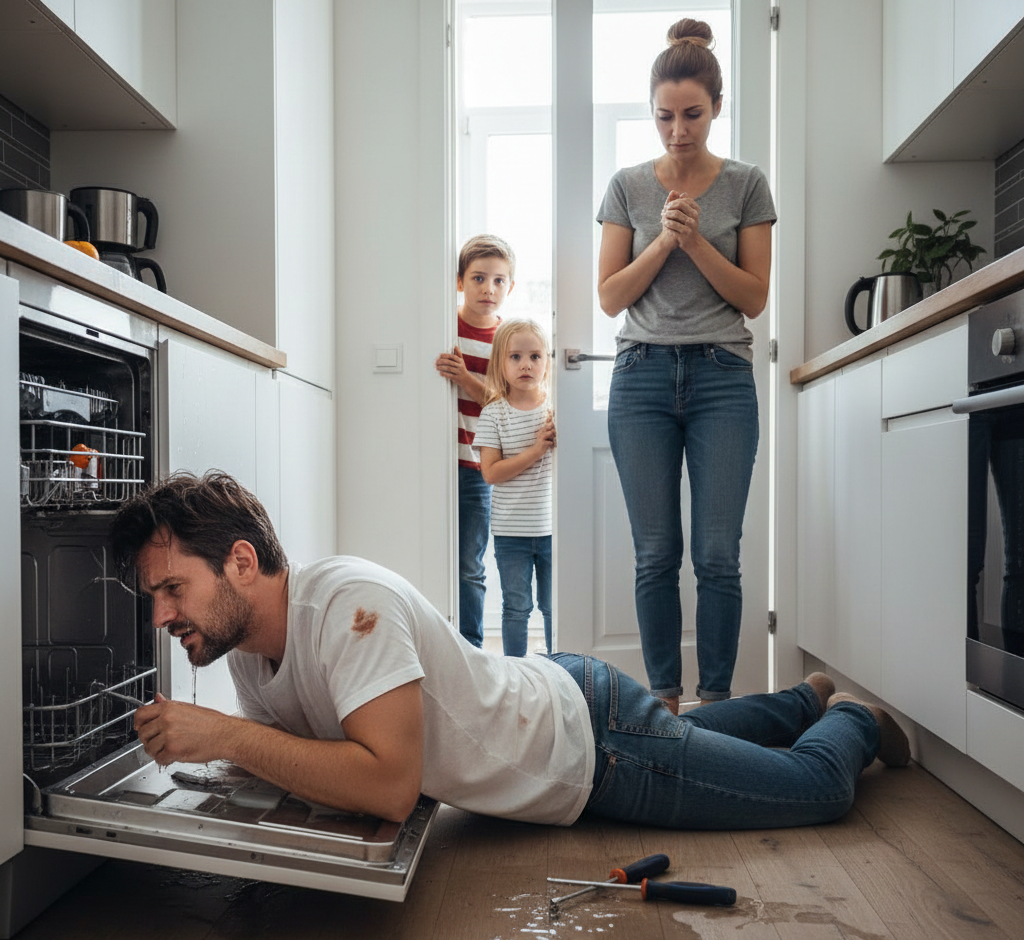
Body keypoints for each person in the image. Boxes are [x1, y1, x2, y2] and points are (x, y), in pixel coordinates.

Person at [113, 471, 910, 832]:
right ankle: (800, 701)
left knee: (811, 789)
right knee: (688, 740)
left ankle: (852, 719)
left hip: (593, 750)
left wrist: (224, 736)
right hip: (565, 702)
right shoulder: (248, 649)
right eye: (155, 597)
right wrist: (220, 756)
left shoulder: (350, 608)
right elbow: (297, 760)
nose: (161, 616)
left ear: (241, 563)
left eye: (173, 588)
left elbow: (389, 787)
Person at [597, 19, 777, 712]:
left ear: (716, 107)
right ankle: (665, 708)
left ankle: (718, 708)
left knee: (718, 555)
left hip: (721, 378)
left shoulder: (747, 185)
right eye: (665, 116)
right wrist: (664, 242)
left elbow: (754, 299)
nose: (678, 130)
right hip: (640, 377)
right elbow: (610, 296)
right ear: (652, 111)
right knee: (655, 555)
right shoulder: (626, 187)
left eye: (693, 115)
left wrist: (698, 241)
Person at [435, 234, 517, 649]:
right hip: (436, 460)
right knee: (433, 552)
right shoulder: (442, 325)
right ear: (459, 281)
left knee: (470, 564)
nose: (489, 289)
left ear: (510, 287)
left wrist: (465, 377)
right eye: (479, 278)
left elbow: (505, 403)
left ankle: (471, 649)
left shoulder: (506, 341)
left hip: (475, 468)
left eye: (499, 280)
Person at [474, 318, 556, 657]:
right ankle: (515, 673)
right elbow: (491, 473)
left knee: (554, 606)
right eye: (516, 357)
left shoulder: (555, 410)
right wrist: (536, 451)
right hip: (511, 532)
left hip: (552, 530)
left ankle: (559, 668)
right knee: (516, 607)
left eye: (535, 356)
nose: (526, 365)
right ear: (500, 363)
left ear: (547, 361)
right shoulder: (494, 414)